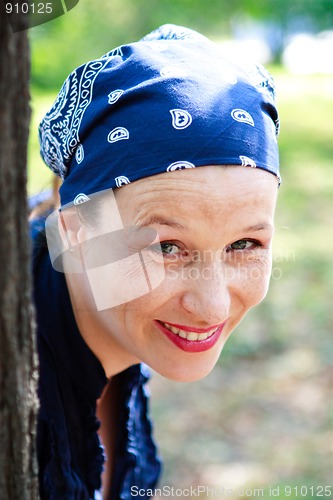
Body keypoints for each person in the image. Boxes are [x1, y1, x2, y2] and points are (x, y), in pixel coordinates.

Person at [32, 24, 280, 499]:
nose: (210, 307)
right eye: (167, 247)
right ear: (72, 229)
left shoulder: (113, 325)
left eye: (244, 244)